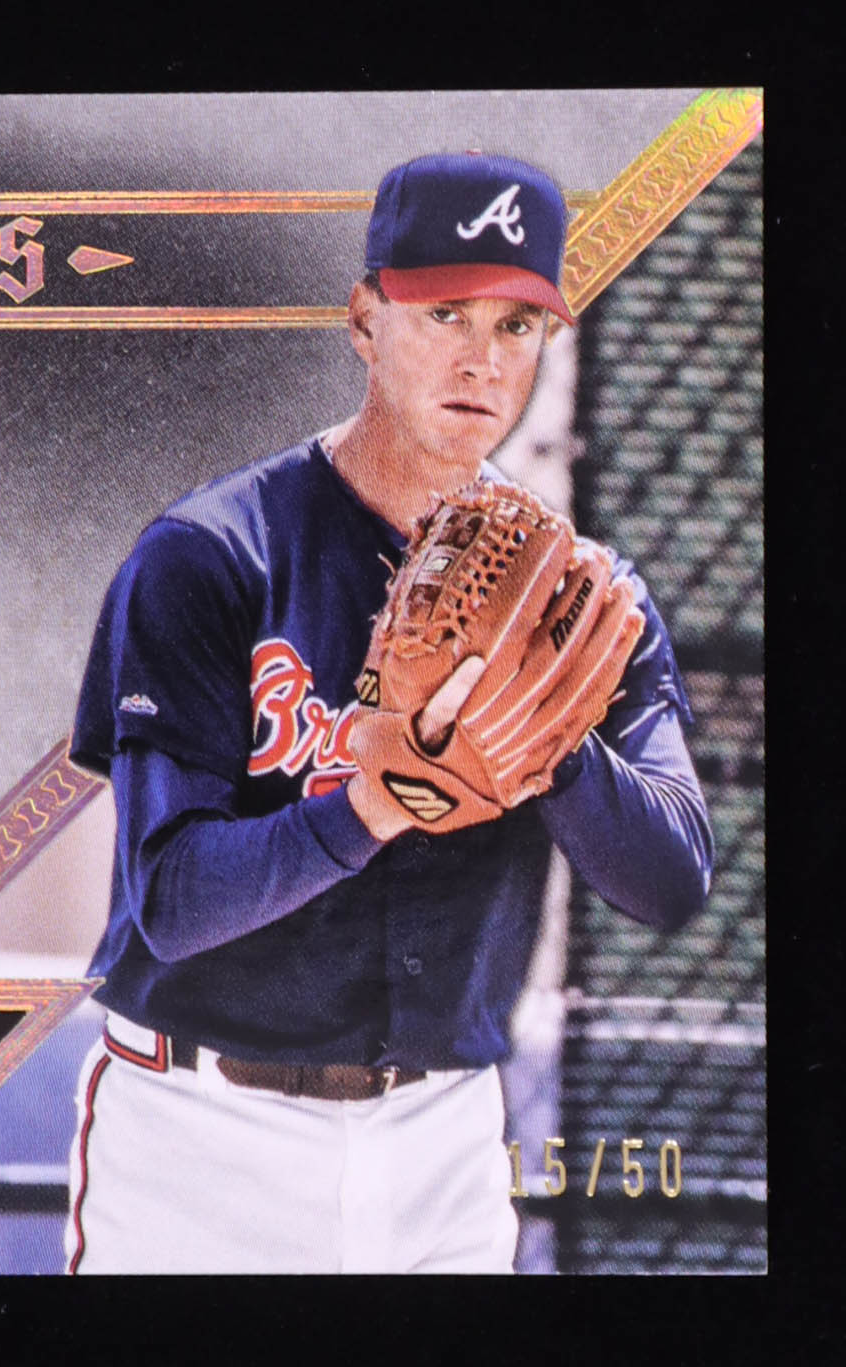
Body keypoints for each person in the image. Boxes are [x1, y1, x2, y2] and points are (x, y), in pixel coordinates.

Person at [63, 152, 713, 1274]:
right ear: (365, 320)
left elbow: (672, 879)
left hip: (442, 1142)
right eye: (444, 312)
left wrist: (551, 746)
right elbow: (169, 901)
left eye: (516, 326)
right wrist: (372, 802)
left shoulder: (584, 604)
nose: (480, 358)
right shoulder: (212, 554)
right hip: (201, 1131)